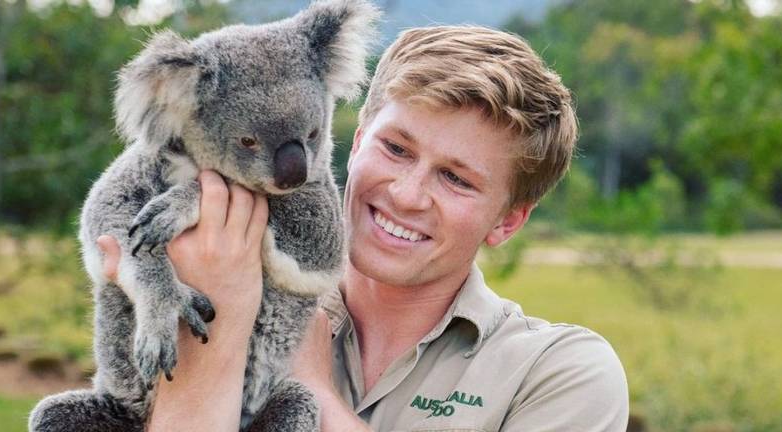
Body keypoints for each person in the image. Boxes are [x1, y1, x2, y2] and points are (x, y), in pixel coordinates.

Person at [98, 25, 628, 431]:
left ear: (508, 220)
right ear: (353, 144)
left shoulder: (560, 373)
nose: (405, 194)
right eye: (395, 149)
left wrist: (311, 387)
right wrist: (215, 330)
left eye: (456, 179)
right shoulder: (196, 286)